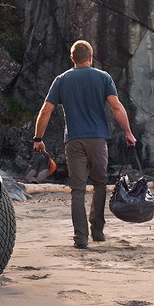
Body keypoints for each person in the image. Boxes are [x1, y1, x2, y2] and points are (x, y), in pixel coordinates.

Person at [32, 40, 136, 249]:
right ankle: (97, 230)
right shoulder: (103, 77)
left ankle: (81, 238)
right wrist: (128, 132)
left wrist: (38, 139)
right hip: (98, 140)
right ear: (91, 56)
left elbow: (46, 111)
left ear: (72, 58)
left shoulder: (61, 80)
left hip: (74, 141)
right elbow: (116, 107)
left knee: (77, 190)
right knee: (99, 183)